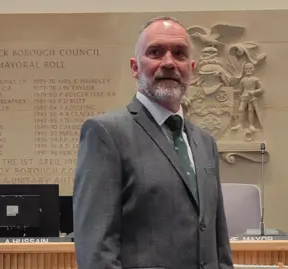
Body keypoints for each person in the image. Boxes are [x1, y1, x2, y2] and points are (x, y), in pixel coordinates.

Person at [73, 16, 234, 269]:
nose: (168, 62)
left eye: (179, 54)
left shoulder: (205, 143)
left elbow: (219, 242)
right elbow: (96, 251)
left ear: (191, 68)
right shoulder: (105, 133)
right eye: (155, 52)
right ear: (135, 67)